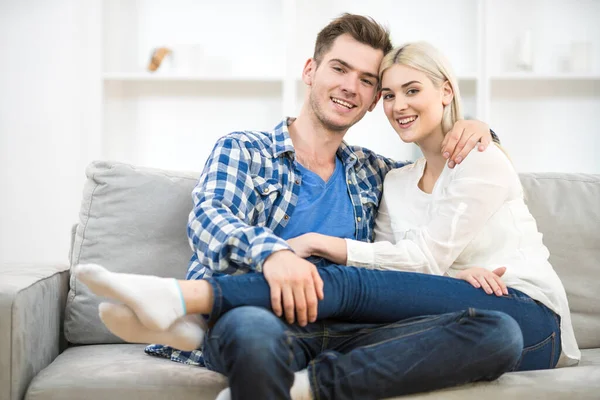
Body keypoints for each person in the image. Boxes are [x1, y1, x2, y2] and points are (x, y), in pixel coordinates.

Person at [74, 14, 520, 400]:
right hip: (260, 319)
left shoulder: (377, 173)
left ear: (372, 102)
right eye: (339, 69)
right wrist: (275, 254)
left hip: (351, 332)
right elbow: (211, 222)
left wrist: (479, 128)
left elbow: (423, 228)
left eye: (367, 81)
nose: (350, 87)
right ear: (310, 70)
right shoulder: (244, 150)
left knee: (494, 332)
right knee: (252, 337)